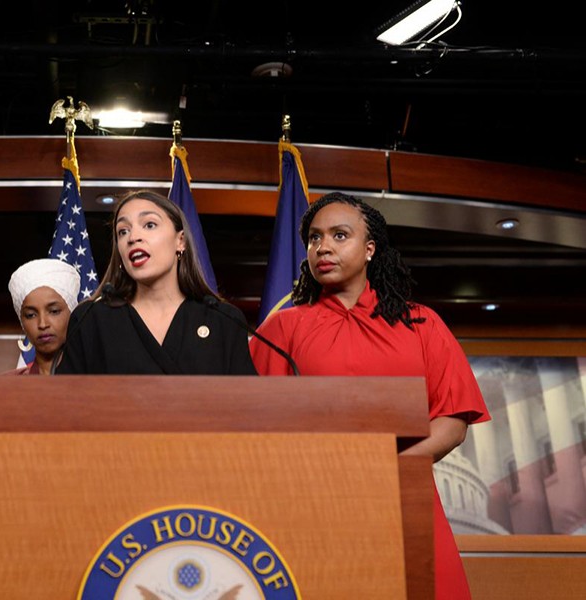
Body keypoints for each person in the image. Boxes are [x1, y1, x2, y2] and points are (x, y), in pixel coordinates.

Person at [250, 192, 490, 600]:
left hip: (405, 500)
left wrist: (386, 468)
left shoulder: (422, 323)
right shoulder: (281, 329)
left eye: (339, 235)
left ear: (369, 249)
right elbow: (255, 426)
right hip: (314, 505)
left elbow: (452, 421)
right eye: (314, 238)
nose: (323, 247)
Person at [56, 189, 256, 375]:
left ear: (181, 241)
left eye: (149, 225)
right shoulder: (90, 319)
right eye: (123, 231)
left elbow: (247, 405)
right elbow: (66, 403)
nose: (133, 237)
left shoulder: (224, 320)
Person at [5, 258, 80, 375]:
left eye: (54, 311)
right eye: (31, 315)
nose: (43, 324)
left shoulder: (99, 381)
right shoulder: (7, 384)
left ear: (72, 313)